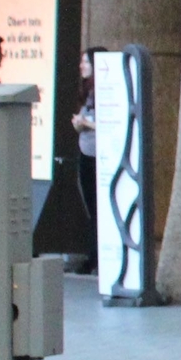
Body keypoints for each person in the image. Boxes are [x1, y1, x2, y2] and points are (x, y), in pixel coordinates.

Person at [71, 48, 109, 272]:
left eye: (86, 62)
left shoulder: (103, 91)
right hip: (87, 151)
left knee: (97, 208)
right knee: (92, 208)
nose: (81, 66)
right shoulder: (88, 92)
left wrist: (86, 123)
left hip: (97, 155)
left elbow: (108, 122)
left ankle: (96, 258)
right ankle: (94, 256)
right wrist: (80, 124)